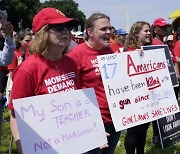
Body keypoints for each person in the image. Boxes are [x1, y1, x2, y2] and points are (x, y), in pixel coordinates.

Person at [8, 7, 80, 154]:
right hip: (43, 145)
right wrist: (21, 144)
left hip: (71, 142)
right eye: (59, 27)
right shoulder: (28, 69)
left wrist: (91, 131)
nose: (66, 31)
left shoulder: (71, 63)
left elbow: (77, 104)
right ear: (43, 33)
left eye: (68, 26)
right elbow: (16, 114)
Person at [68, 13, 121, 154]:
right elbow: (72, 92)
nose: (109, 32)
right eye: (103, 29)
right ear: (90, 32)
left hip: (115, 118)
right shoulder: (76, 55)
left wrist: (139, 57)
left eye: (109, 28)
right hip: (93, 122)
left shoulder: (110, 51)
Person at [123, 21, 152, 154]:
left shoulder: (148, 50)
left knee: (144, 128)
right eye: (145, 31)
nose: (149, 33)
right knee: (134, 131)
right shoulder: (130, 52)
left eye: (149, 30)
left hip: (147, 96)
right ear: (136, 33)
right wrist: (134, 56)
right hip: (134, 99)